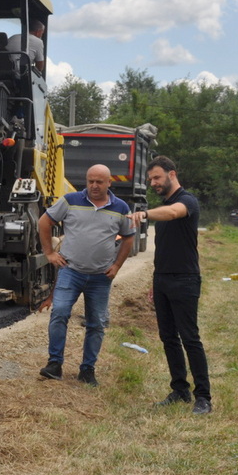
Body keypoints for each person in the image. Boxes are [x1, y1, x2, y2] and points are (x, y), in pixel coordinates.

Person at [38, 164, 135, 386]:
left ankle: (87, 369)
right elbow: (44, 221)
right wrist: (50, 253)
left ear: (109, 183)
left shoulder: (120, 207)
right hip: (70, 271)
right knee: (60, 313)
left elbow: (128, 237)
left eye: (99, 182)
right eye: (90, 180)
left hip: (101, 277)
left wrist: (117, 266)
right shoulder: (70, 200)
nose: (94, 185)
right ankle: (54, 364)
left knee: (96, 323)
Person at [130, 156, 211, 415]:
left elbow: (174, 213)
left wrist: (144, 213)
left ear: (172, 174)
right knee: (168, 338)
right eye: (150, 179)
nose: (153, 183)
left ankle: (203, 397)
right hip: (163, 279)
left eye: (157, 177)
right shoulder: (163, 205)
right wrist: (156, 281)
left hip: (185, 280)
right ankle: (180, 390)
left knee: (190, 338)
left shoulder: (186, 201)